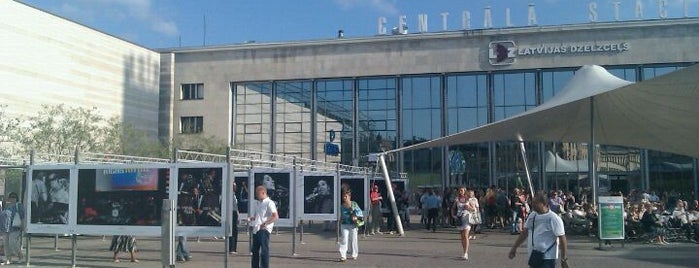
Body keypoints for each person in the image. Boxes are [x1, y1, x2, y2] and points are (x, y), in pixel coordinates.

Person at [509, 191, 569, 268]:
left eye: (535, 203)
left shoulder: (554, 218)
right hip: (535, 255)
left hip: (548, 258)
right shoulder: (533, 215)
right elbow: (524, 233)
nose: (533, 205)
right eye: (533, 202)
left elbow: (562, 238)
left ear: (544, 204)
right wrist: (514, 247)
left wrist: (564, 259)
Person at [249, 185, 278, 268]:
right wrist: (250, 219)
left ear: (263, 193)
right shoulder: (258, 203)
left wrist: (266, 223)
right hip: (256, 229)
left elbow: (275, 216)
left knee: (264, 251)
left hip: (264, 229)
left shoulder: (269, 203)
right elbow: (257, 216)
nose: (257, 196)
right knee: (254, 251)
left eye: (258, 194)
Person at [338, 188, 363, 262]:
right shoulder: (341, 205)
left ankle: (354, 254)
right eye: (343, 196)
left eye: (346, 196)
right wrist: (339, 222)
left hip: (353, 225)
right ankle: (343, 256)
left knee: (353, 240)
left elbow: (359, 212)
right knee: (344, 239)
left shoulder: (354, 204)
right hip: (344, 224)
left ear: (349, 196)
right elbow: (340, 214)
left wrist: (356, 217)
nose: (344, 198)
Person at [451, 186, 473, 260]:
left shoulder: (468, 199)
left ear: (464, 191)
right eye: (460, 190)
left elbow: (473, 209)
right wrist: (453, 215)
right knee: (462, 236)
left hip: (466, 217)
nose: (461, 192)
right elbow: (453, 208)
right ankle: (464, 252)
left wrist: (469, 207)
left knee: (466, 235)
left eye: (462, 190)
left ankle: (466, 253)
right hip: (459, 218)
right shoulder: (457, 199)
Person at [3, 192, 24, 265]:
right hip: (6, 227)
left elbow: (22, 216)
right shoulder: (7, 206)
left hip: (15, 227)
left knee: (13, 242)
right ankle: (8, 259)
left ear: (16, 198)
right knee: (6, 244)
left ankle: (20, 256)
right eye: (11, 197)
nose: (12, 198)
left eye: (14, 197)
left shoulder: (19, 205)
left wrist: (22, 225)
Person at [229, 181, 239, 254]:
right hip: (231, 213)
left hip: (235, 213)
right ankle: (232, 248)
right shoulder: (230, 195)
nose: (235, 187)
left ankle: (234, 248)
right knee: (232, 231)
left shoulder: (234, 195)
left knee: (235, 231)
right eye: (233, 186)